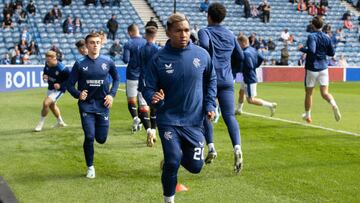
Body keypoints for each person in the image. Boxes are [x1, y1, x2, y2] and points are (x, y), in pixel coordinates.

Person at [143, 13, 216, 203]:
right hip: (169, 120)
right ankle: (169, 200)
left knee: (196, 166)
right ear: (168, 32)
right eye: (178, 31)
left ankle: (175, 157)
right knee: (173, 161)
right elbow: (148, 87)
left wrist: (209, 104)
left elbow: (211, 81)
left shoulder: (202, 55)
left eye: (186, 30)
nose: (184, 34)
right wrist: (153, 97)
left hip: (194, 122)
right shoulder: (158, 59)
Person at [198, 3, 244, 172]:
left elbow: (203, 46)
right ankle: (237, 147)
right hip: (227, 80)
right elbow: (241, 56)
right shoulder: (231, 35)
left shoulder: (205, 31)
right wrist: (232, 73)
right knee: (229, 116)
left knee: (206, 113)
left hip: (209, 79)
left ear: (208, 16)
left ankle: (211, 147)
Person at [67, 32, 120, 179]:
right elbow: (70, 85)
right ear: (87, 45)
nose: (95, 45)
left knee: (101, 139)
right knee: (89, 136)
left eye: (97, 42)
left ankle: (98, 129)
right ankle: (90, 167)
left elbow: (116, 79)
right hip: (87, 105)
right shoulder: (79, 64)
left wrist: (111, 94)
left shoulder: (108, 61)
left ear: (101, 44)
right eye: (92, 42)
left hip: (103, 105)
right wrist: (78, 94)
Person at [298, 16, 341, 123]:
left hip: (312, 68)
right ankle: (334, 105)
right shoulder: (327, 37)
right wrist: (322, 52)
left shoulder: (311, 36)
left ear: (313, 25)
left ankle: (308, 116)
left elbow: (312, 50)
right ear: (322, 25)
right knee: (325, 93)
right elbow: (332, 53)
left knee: (309, 93)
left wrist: (302, 49)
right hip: (324, 68)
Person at [236, 36, 277, 116]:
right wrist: (256, 65)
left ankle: (271, 105)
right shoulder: (253, 49)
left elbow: (249, 66)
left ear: (243, 43)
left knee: (250, 100)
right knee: (241, 92)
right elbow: (261, 57)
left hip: (249, 78)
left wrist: (240, 74)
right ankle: (239, 110)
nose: (238, 46)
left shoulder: (245, 53)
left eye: (238, 43)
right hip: (246, 76)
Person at [34, 51, 70, 132]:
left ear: (54, 58)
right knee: (52, 105)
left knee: (46, 103)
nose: (47, 62)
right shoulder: (47, 64)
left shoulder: (63, 69)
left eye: (49, 60)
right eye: (46, 60)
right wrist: (44, 75)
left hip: (59, 90)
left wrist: (60, 85)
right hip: (50, 88)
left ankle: (40, 124)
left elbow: (70, 80)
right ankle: (60, 122)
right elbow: (45, 71)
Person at [138, 26, 161, 147]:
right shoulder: (158, 50)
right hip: (155, 82)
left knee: (142, 108)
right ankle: (153, 131)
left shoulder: (140, 49)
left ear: (146, 35)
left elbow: (137, 64)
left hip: (143, 80)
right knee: (154, 107)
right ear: (155, 35)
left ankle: (148, 131)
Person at [123, 24, 147, 132]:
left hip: (132, 75)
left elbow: (125, 59)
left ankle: (136, 118)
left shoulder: (129, 43)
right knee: (143, 102)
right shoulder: (146, 42)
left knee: (131, 99)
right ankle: (146, 126)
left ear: (130, 32)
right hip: (144, 76)